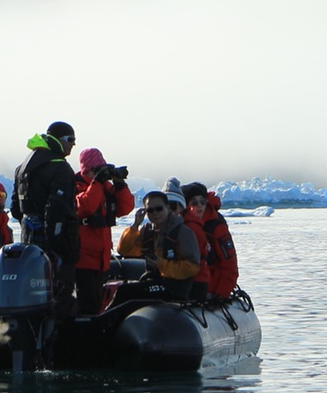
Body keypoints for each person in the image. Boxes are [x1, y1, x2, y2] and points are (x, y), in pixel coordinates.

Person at [11, 121, 82, 319]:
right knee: (60, 292)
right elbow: (56, 209)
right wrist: (55, 246)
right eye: (70, 140)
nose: (73, 145)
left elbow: (15, 208)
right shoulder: (60, 168)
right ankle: (60, 341)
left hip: (29, 238)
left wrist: (30, 224)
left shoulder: (22, 167)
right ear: (58, 140)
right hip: (56, 241)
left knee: (32, 287)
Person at [113, 183, 202, 304]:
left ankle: (104, 322)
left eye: (159, 209)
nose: (155, 213)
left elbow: (192, 267)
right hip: (154, 282)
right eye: (150, 210)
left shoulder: (182, 232)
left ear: (168, 208)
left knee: (126, 292)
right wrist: (134, 227)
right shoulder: (147, 231)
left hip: (175, 287)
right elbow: (124, 250)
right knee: (124, 291)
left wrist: (162, 265)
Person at [73, 147, 134, 315]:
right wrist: (97, 182)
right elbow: (86, 207)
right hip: (82, 258)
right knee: (87, 303)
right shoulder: (75, 187)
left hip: (101, 257)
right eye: (95, 169)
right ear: (86, 169)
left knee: (98, 303)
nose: (98, 173)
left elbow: (125, 207)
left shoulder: (105, 188)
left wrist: (120, 183)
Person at [182, 182, 239, 299]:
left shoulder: (216, 227)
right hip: (184, 289)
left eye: (202, 202)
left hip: (210, 289)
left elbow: (230, 264)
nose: (199, 206)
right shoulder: (179, 226)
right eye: (194, 202)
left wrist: (221, 294)